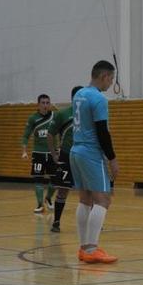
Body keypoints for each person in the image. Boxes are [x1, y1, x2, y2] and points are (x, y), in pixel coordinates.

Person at [70, 61, 119, 263]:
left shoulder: (79, 94)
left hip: (75, 150)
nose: (111, 83)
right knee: (103, 200)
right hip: (90, 153)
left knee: (85, 199)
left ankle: (84, 248)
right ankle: (91, 249)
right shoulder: (99, 99)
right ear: (104, 76)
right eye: (111, 79)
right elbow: (102, 132)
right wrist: (112, 159)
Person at [46, 85, 82, 232]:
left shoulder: (88, 114)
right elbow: (50, 134)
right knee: (63, 189)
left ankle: (93, 222)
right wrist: (54, 154)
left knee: (89, 190)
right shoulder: (62, 114)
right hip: (66, 155)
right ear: (74, 98)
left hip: (84, 156)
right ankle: (56, 222)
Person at [21, 94, 56, 213]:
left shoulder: (55, 116)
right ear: (38, 104)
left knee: (56, 179)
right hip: (38, 153)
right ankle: (40, 204)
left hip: (52, 153)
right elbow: (26, 136)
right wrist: (24, 151)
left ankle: (48, 198)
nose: (45, 105)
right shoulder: (33, 118)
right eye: (43, 103)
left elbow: (62, 131)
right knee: (38, 179)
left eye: (47, 103)